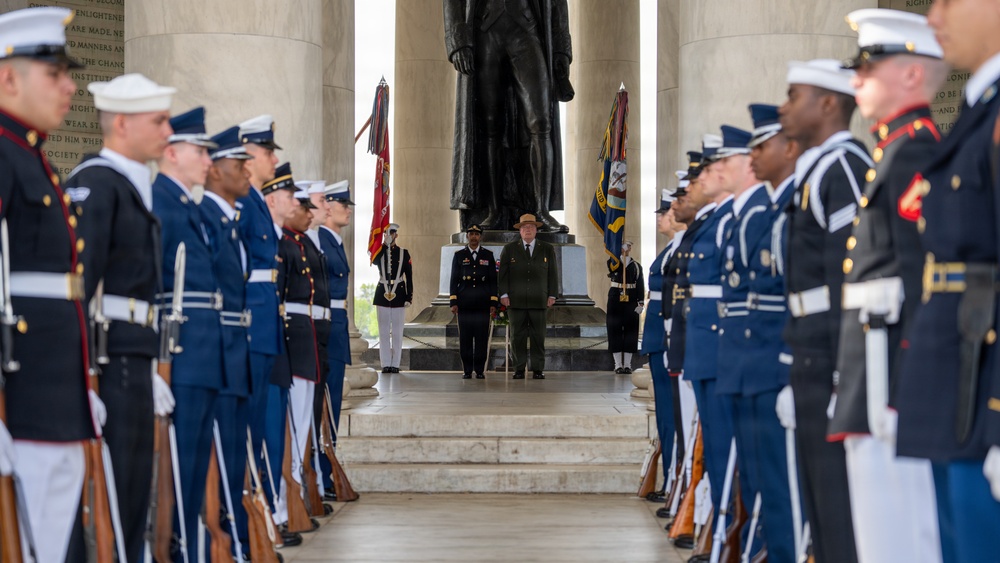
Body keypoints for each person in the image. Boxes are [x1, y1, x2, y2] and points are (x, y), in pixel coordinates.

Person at [828, 11, 947, 563]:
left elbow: (924, 278)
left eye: (868, 66)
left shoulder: (915, 150)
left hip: (891, 377)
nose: (857, 79)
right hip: (871, 373)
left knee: (902, 535)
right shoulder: (890, 150)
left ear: (912, 75)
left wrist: (905, 386)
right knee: (880, 533)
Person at [896, 0, 1000, 560]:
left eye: (950, 1)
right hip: (957, 382)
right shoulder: (979, 109)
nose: (934, 15)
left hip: (986, 399)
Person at [0, 8, 97, 562]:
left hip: (51, 396)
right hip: (25, 397)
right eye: (54, 73)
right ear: (9, 76)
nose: (70, 85)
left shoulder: (31, 155)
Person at [69, 71, 176, 563]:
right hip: (109, 357)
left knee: (133, 489)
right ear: (122, 125)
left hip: (133, 352)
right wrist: (84, 375)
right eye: (159, 120)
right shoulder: (97, 185)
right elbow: (79, 287)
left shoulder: (131, 186)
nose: (168, 132)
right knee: (113, 494)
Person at [778, 58, 873, 563]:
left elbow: (854, 273)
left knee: (836, 505)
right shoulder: (820, 168)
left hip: (829, 352)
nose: (784, 106)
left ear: (829, 103)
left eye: (795, 95)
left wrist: (844, 369)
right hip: (810, 348)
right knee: (819, 496)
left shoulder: (843, 166)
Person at [715, 119, 796, 561]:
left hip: (768, 357)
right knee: (757, 471)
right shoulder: (749, 215)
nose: (719, 169)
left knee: (777, 481)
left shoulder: (772, 211)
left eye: (726, 161)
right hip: (745, 356)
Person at [153, 106, 226, 562]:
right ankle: (173, 544)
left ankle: (187, 541)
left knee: (195, 462)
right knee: (179, 462)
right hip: (179, 351)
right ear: (173, 152)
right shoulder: (160, 201)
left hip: (202, 352)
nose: (207, 161)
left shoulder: (186, 205)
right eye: (200, 151)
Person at [444, 0, 573, 232]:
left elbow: (558, 4)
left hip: (526, 29)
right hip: (486, 30)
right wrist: (458, 41)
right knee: (489, 126)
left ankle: (541, 210)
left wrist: (562, 48)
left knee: (541, 121)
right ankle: (493, 211)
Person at [235, 115, 301, 547]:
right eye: (267, 152)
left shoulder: (254, 203)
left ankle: (263, 517)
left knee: (262, 427)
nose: (274, 158)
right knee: (250, 429)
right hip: (250, 330)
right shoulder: (245, 204)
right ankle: (252, 523)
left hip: (266, 330)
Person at [201, 124, 257, 559]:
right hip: (213, 350)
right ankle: (214, 535)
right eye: (239, 164)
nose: (247, 172)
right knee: (214, 452)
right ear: (215, 170)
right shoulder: (205, 216)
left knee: (234, 449)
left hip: (235, 347)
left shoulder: (229, 220)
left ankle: (233, 533)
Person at [641, 187, 681, 501]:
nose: (658, 217)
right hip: (659, 340)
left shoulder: (680, 250)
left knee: (670, 413)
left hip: (667, 341)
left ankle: (674, 482)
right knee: (666, 413)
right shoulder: (669, 250)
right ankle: (672, 480)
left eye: (663, 212)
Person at [317, 179, 353, 492]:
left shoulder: (334, 241)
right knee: (326, 403)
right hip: (327, 325)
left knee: (333, 402)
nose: (348, 210)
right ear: (327, 207)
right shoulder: (321, 241)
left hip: (337, 324)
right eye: (343, 205)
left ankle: (326, 469)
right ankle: (321, 471)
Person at [498, 213, 559, 379]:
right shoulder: (509, 249)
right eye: (524, 227)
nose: (528, 230)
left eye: (531, 227)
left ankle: (538, 369)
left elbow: (553, 274)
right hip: (515, 301)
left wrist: (552, 294)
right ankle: (519, 369)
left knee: (538, 336)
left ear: (536, 230)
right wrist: (503, 294)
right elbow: (502, 274)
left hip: (539, 301)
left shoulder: (547, 248)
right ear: (520, 231)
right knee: (517, 337)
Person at [449, 224, 499, 379]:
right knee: (465, 338)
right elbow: (453, 280)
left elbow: (493, 281)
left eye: (477, 234)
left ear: (480, 237)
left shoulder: (487, 255)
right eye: (471, 234)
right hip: (465, 304)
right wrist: (453, 301)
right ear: (467, 236)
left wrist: (493, 303)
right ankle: (467, 370)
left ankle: (479, 370)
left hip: (482, 305)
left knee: (481, 338)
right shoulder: (459, 255)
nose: (474, 237)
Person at [372, 223, 412, 373]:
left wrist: (409, 296)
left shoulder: (404, 253)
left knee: (397, 331)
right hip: (382, 292)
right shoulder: (380, 252)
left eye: (392, 233)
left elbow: (409, 276)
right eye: (387, 233)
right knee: (383, 331)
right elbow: (374, 261)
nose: (390, 235)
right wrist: (384, 246)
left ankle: (395, 364)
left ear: (397, 235)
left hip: (399, 293)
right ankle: (385, 364)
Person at [606, 241, 644, 374]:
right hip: (615, 297)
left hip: (631, 298)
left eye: (629, 245)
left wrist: (641, 302)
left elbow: (640, 284)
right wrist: (618, 254)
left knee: (630, 331)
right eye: (624, 245)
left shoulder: (636, 266)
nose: (627, 248)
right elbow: (612, 266)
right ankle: (618, 364)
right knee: (614, 329)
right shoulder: (614, 262)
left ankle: (627, 364)